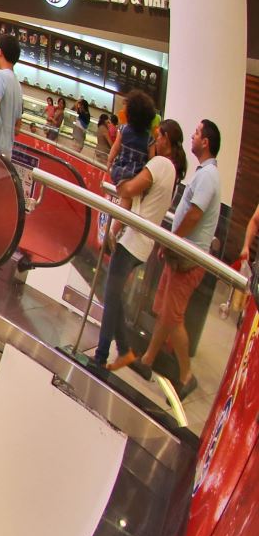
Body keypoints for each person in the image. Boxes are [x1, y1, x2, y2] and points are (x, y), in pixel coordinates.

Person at [132, 120, 221, 398]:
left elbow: (194, 214)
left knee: (173, 315)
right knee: (166, 311)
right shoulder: (203, 173)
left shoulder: (208, 176)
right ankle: (148, 360)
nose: (192, 137)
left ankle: (185, 374)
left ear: (205, 142)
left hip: (188, 257)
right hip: (180, 252)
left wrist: (174, 241)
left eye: (196, 133)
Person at [96, 119, 180, 371]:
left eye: (158, 136)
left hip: (134, 241)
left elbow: (130, 189)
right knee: (115, 294)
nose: (154, 139)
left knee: (111, 295)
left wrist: (119, 172)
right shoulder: (171, 169)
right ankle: (124, 351)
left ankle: (100, 356)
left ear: (165, 139)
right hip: (141, 243)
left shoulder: (159, 165)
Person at [109, 90, 154, 185]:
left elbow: (115, 148)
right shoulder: (150, 139)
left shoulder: (123, 129)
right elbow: (151, 162)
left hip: (119, 172)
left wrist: (109, 161)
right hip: (137, 177)